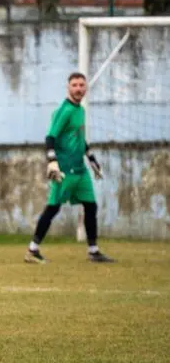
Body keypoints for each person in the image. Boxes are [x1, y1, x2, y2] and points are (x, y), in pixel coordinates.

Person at [26, 72, 114, 264]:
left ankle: (93, 251)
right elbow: (50, 137)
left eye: (81, 85)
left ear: (86, 88)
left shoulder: (80, 110)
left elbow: (80, 138)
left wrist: (91, 158)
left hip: (80, 171)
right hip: (64, 171)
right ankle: (32, 250)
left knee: (91, 206)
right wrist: (52, 161)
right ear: (68, 88)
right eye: (74, 85)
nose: (78, 88)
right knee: (53, 208)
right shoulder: (64, 111)